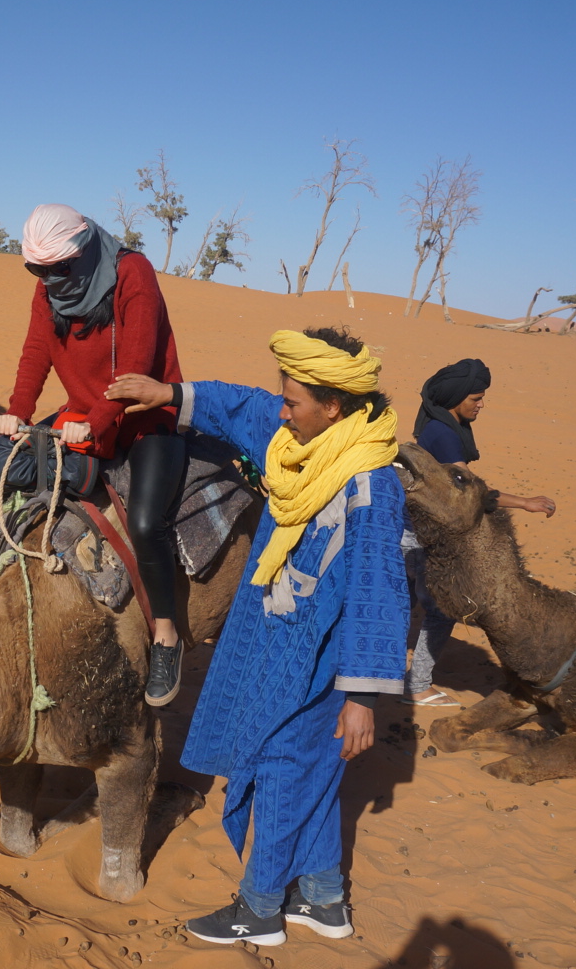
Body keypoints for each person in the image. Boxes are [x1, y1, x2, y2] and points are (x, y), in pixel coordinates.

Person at [105, 327, 408, 948]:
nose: (282, 411)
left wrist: (362, 699)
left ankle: (260, 907)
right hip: (278, 636)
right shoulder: (295, 445)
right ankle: (323, 898)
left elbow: (379, 595)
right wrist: (169, 391)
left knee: (278, 763)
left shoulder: (369, 486)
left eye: (295, 402)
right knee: (314, 767)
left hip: (322, 656)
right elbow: (239, 406)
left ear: (336, 408)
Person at [0, 203, 188, 706]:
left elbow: (139, 362)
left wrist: (97, 424)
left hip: (145, 412)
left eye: (57, 268)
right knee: (4, 466)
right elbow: (37, 349)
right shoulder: (50, 289)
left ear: (82, 251)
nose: (49, 278)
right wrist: (17, 411)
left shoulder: (131, 273)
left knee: (146, 522)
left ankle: (166, 636)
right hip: (82, 414)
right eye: (38, 270)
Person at [403, 358, 557, 707]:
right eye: (476, 398)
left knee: (401, 603)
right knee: (440, 610)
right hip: (423, 534)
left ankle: (381, 676)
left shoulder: (436, 426)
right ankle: (418, 685)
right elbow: (469, 493)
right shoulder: (444, 436)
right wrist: (526, 502)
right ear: (457, 398)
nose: (481, 404)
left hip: (408, 527)